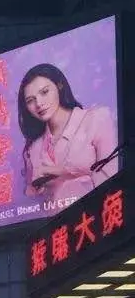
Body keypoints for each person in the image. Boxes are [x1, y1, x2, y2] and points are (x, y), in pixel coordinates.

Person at [18, 63, 118, 206]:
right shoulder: (33, 149)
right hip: (56, 219)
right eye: (30, 100)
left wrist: (64, 172)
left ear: (59, 86)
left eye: (44, 92)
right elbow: (32, 201)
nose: (38, 103)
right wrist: (36, 190)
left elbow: (113, 178)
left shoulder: (97, 119)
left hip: (99, 214)